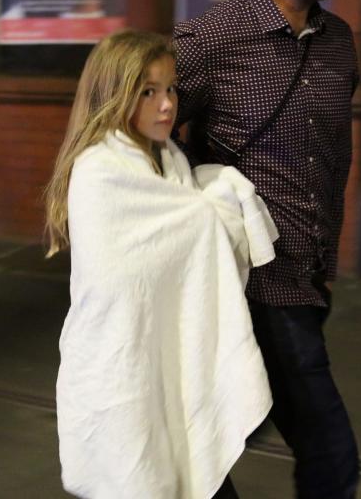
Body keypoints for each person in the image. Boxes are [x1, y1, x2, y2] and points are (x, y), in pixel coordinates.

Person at [172, 0, 360, 496]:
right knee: (329, 448)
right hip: (248, 282)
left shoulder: (339, 41)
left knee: (217, 430)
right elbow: (135, 134)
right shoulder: (210, 41)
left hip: (310, 277)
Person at [45, 30, 278, 498]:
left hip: (169, 360)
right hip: (121, 371)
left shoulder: (169, 160)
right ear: (114, 95)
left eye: (170, 88)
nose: (167, 104)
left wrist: (205, 204)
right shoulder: (100, 172)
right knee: (145, 476)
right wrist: (215, 204)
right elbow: (184, 236)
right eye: (147, 92)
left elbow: (184, 240)